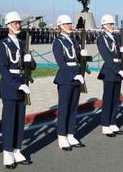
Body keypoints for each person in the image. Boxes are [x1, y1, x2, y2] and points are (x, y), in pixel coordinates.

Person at [0, 11, 36, 169]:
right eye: (15, 23)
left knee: (20, 121)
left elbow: (33, 67)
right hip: (10, 86)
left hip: (23, 83)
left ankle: (17, 149)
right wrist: (17, 85)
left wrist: (30, 60)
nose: (18, 25)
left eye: (19, 23)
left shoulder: (23, 44)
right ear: (8, 25)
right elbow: (3, 70)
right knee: (9, 121)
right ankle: (7, 153)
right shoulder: (3, 44)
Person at [51, 14, 86, 151]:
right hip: (66, 78)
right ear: (60, 26)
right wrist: (75, 75)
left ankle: (70, 134)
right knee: (64, 108)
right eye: (66, 24)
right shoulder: (58, 42)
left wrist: (83, 59)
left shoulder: (74, 41)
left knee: (73, 107)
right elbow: (62, 63)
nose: (70, 26)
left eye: (70, 24)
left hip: (77, 76)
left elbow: (77, 59)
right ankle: (61, 136)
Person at [96, 14, 123, 137]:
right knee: (108, 99)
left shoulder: (115, 38)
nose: (111, 26)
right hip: (109, 71)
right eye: (109, 24)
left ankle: (112, 122)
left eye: (112, 24)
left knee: (115, 99)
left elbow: (117, 54)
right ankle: (105, 125)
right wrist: (116, 69)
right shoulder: (101, 39)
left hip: (118, 69)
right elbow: (107, 57)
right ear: (104, 25)